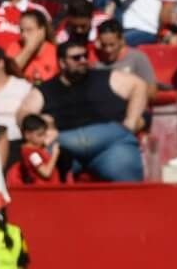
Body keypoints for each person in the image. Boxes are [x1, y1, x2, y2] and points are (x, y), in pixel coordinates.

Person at [17, 38, 148, 181]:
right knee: (41, 167)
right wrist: (43, 126)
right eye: (76, 58)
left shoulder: (104, 77)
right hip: (64, 147)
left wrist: (131, 120)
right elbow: (24, 113)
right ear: (62, 62)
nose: (83, 60)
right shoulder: (46, 89)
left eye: (85, 56)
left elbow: (139, 85)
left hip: (110, 144)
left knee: (127, 173)